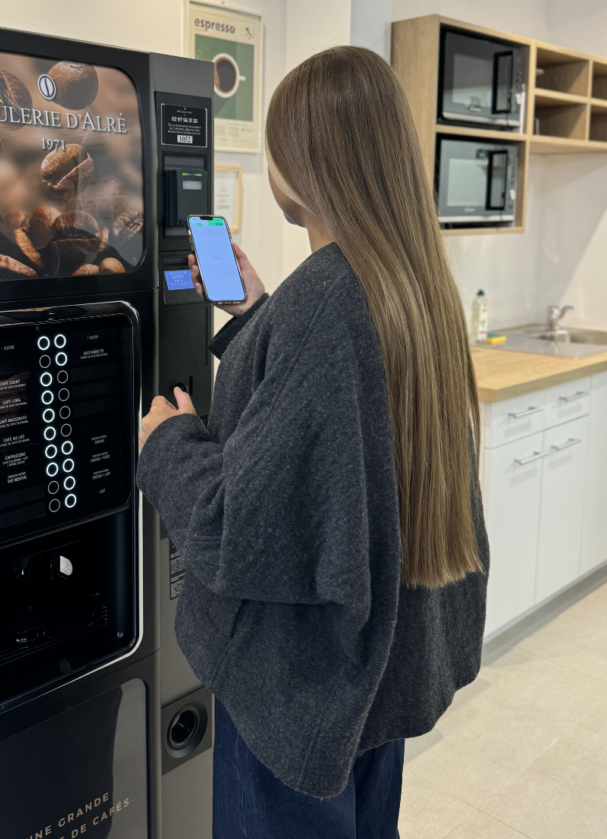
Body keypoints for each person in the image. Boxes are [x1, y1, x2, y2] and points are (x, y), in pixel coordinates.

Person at [137, 46, 489, 839]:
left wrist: (166, 441)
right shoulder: (412, 285)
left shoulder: (325, 300)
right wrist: (256, 312)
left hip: (305, 688)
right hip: (380, 664)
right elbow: (343, 442)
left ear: (295, 168)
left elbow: (241, 527)